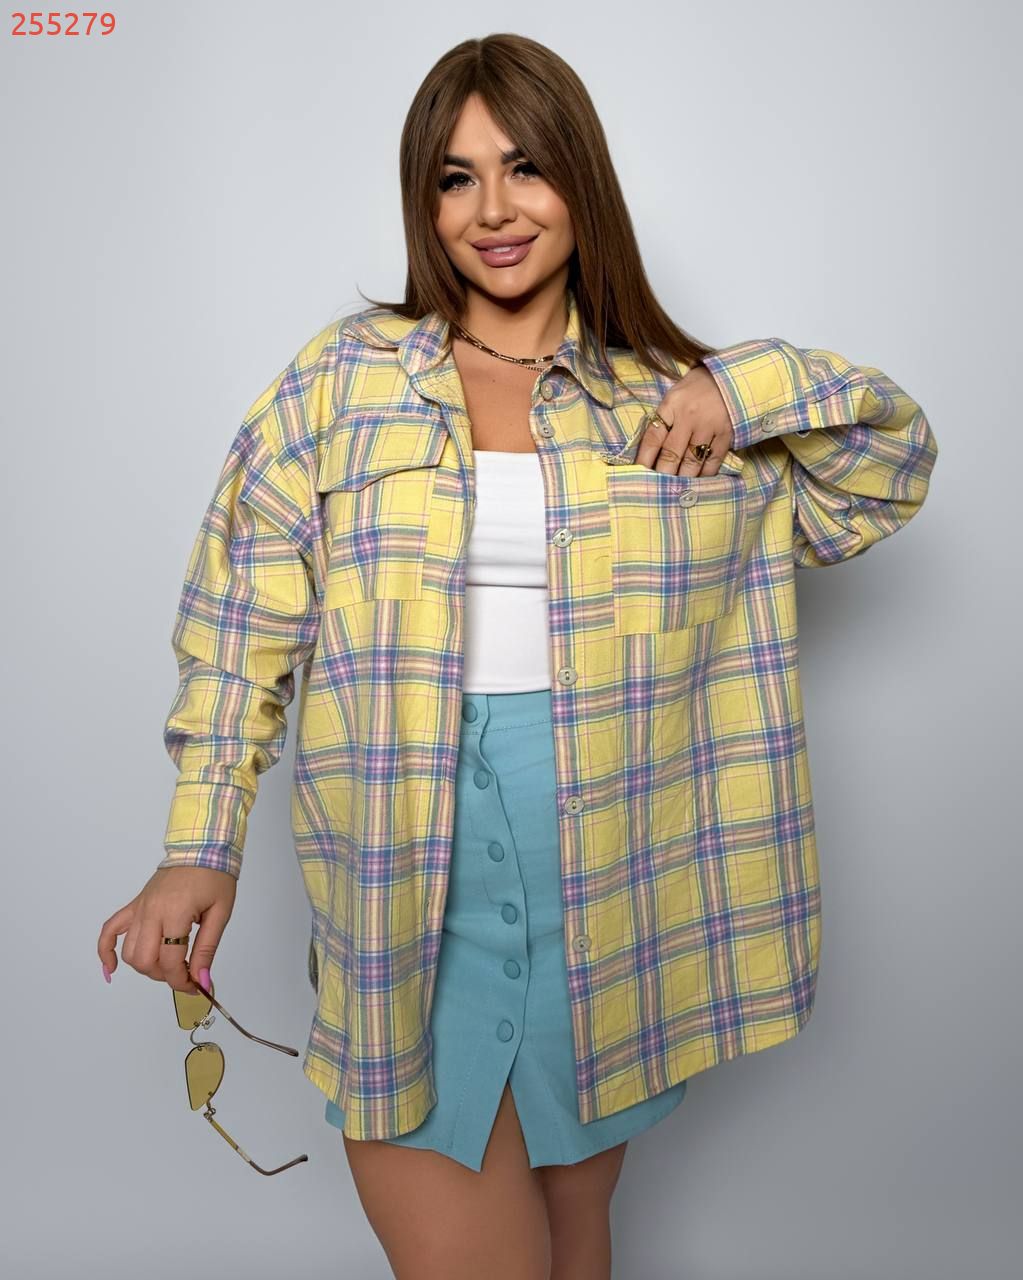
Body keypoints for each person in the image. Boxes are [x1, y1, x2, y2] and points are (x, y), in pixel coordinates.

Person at [96, 32, 938, 1280]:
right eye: (455, 177)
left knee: (575, 1242)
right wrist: (198, 841)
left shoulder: (664, 400)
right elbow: (239, 622)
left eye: (525, 167)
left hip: (613, 892)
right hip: (402, 878)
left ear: (579, 178)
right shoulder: (339, 384)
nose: (491, 209)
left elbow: (887, 472)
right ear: (423, 201)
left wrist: (744, 389)